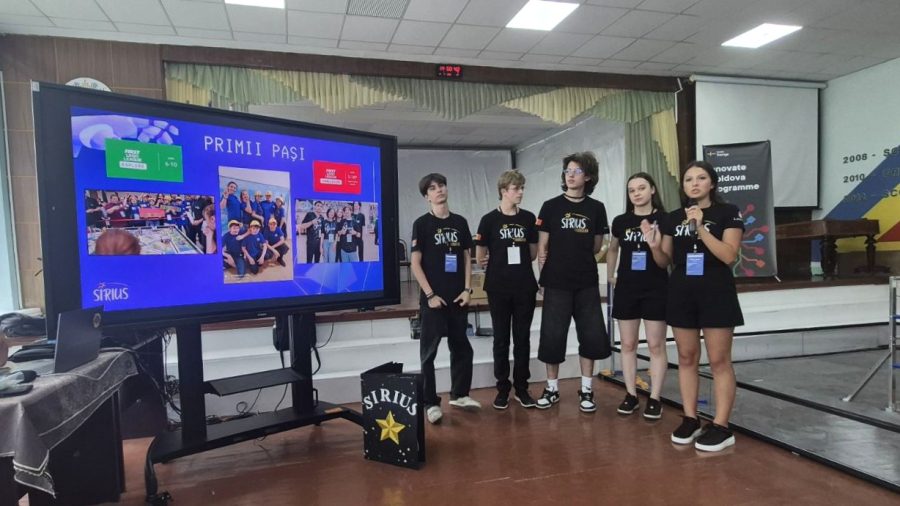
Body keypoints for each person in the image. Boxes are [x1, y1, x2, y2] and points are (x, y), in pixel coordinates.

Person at [651, 160, 744, 452]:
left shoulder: (728, 212)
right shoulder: (673, 217)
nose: (694, 183)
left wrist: (701, 227)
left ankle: (721, 426)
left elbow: (728, 255)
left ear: (712, 183)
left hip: (716, 291)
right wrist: (653, 245)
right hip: (681, 291)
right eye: (689, 179)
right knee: (686, 357)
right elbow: (664, 261)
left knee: (719, 360)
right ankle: (690, 418)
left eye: (701, 178)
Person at [535, 152, 610, 412]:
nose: (570, 175)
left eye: (576, 171)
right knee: (552, 335)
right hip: (556, 282)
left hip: (586, 281)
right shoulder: (550, 206)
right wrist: (543, 278)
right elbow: (542, 247)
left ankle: (586, 389)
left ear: (588, 176)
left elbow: (597, 246)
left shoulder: (596, 208)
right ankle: (552, 388)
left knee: (590, 335)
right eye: (567, 170)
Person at [410, 173, 480, 424]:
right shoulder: (421, 224)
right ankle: (430, 402)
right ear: (426, 196)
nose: (438, 190)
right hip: (433, 300)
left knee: (462, 348)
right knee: (428, 353)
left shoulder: (460, 222)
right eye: (432, 188)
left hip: (457, 297)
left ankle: (460, 394)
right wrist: (430, 295)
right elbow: (415, 263)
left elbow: (466, 258)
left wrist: (467, 289)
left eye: (441, 186)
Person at [606, 172, 669, 419]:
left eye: (641, 188)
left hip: (656, 287)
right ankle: (631, 394)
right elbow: (613, 249)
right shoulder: (621, 221)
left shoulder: (663, 219)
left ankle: (655, 398)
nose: (637, 193)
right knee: (628, 344)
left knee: (655, 345)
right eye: (632, 190)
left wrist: (653, 243)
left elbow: (665, 260)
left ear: (652, 190)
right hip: (627, 288)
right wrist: (610, 275)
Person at [475, 170, 539, 410]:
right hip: (498, 287)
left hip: (524, 285)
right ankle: (502, 388)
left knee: (522, 338)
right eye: (516, 188)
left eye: (522, 188)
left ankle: (522, 387)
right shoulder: (489, 220)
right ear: (504, 191)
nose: (521, 192)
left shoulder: (528, 218)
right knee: (501, 339)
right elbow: (480, 255)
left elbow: (532, 253)